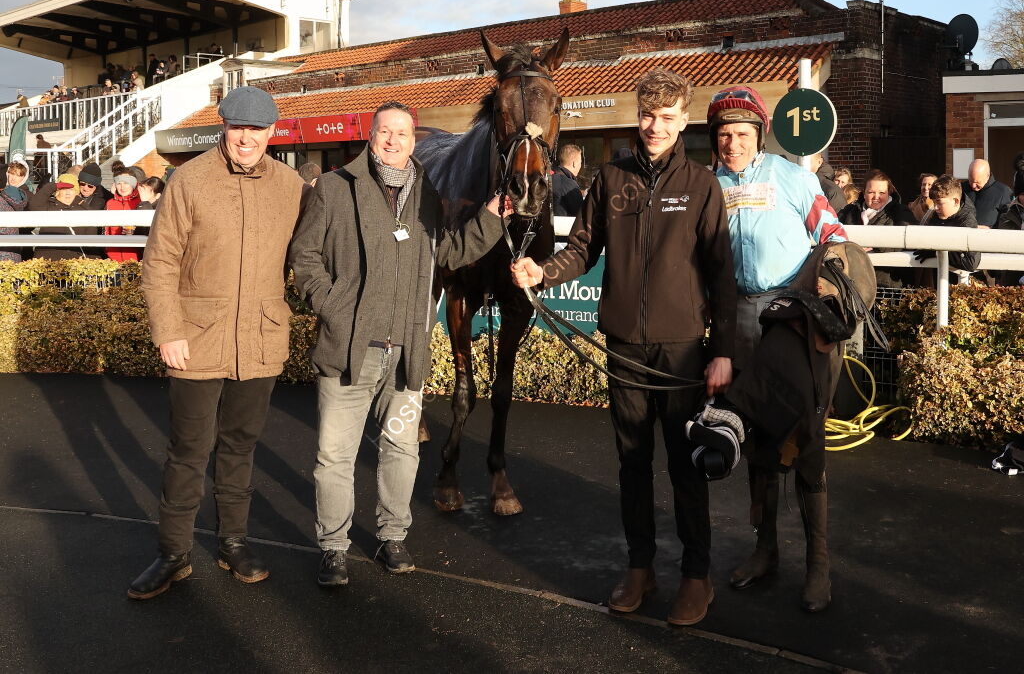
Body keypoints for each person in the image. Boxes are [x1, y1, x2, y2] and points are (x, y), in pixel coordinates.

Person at [511, 68, 736, 626]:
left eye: (666, 117)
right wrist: (543, 270)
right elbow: (583, 248)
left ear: (683, 120)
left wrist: (724, 350)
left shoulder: (703, 185)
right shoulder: (610, 178)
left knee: (686, 467)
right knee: (632, 463)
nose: (654, 126)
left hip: (683, 347)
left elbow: (722, 273)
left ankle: (696, 575)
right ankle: (640, 566)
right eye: (647, 115)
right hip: (624, 349)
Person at [289, 100, 510, 588]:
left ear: (415, 141)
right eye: (385, 132)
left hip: (407, 351)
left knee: (402, 450)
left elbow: (448, 251)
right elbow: (304, 257)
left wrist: (492, 218)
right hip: (349, 348)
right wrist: (334, 306)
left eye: (403, 134)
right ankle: (334, 546)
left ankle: (393, 535)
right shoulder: (333, 187)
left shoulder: (426, 195)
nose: (394, 141)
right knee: (335, 456)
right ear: (371, 136)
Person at [128, 86, 304, 600]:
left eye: (257, 129)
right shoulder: (190, 179)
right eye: (238, 127)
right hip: (195, 340)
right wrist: (169, 330)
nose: (246, 138)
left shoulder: (291, 184)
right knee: (188, 451)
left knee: (240, 448)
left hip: (261, 338)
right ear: (224, 127)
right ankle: (173, 554)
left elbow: (311, 253)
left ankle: (233, 543)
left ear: (272, 133)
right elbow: (159, 262)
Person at [707, 85, 847, 613]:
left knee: (808, 441)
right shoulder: (709, 185)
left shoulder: (791, 175)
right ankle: (765, 550)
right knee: (756, 438)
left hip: (795, 317)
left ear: (759, 136)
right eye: (723, 135)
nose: (732, 143)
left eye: (741, 134)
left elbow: (831, 233)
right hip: (740, 317)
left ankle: (819, 566)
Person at [837, 169, 914, 287]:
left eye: (882, 193)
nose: (876, 197)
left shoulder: (901, 213)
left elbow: (908, 240)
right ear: (863, 192)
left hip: (886, 285)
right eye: (871, 192)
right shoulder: (849, 212)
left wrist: (874, 246)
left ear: (889, 192)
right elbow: (833, 234)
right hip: (852, 282)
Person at [914, 174, 981, 277]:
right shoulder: (936, 216)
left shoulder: (968, 222)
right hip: (941, 284)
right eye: (934, 203)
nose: (935, 208)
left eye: (939, 203)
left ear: (955, 201)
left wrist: (936, 250)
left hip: (965, 288)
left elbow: (970, 262)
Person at [34, 174, 89, 260]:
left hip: (76, 263)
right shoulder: (48, 206)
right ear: (58, 191)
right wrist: (53, 186)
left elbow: (91, 239)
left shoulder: (83, 208)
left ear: (76, 192)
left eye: (71, 189)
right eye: (64, 189)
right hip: (48, 261)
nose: (67, 192)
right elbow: (34, 205)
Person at [962, 159, 1013, 228]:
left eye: (977, 182)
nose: (973, 185)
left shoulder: (1003, 192)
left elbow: (1008, 221)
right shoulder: (961, 188)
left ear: (987, 176)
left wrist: (991, 231)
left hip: (990, 237)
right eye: (970, 180)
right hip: (962, 236)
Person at [104, 174, 142, 262]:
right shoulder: (110, 203)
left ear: (132, 185)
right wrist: (107, 250)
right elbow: (106, 230)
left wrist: (135, 231)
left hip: (136, 257)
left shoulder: (140, 202)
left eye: (126, 183)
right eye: (119, 184)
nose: (122, 187)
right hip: (113, 257)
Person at [1, 160, 30, 262]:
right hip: (15, 242)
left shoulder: (4, 194)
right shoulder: (26, 195)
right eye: (12, 173)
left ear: (24, 178)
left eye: (18, 175)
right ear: (7, 173)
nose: (13, 178)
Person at [551, 144, 585, 217]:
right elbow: (581, 215)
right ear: (574, 164)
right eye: (580, 162)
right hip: (563, 228)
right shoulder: (570, 184)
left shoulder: (548, 178)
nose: (580, 166)